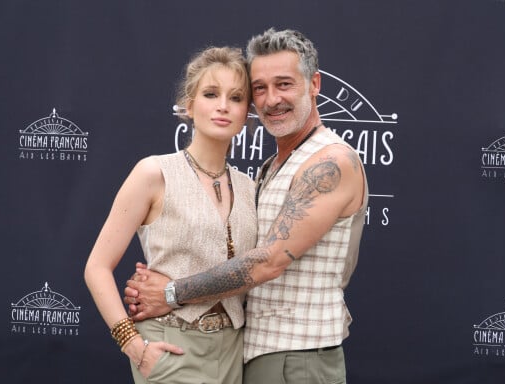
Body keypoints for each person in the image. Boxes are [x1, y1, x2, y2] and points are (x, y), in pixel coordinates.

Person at [125, 28, 368, 384]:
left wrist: (171, 292)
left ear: (314, 84)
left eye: (284, 84)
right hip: (247, 354)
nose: (271, 100)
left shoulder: (330, 162)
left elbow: (268, 261)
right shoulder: (270, 168)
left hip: (297, 358)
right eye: (260, 88)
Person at [84, 46, 258, 384]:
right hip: (172, 349)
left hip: (235, 354)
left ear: (246, 113)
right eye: (211, 94)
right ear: (190, 105)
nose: (223, 105)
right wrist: (132, 344)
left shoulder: (250, 187)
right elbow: (96, 267)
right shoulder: (154, 173)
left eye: (236, 98)